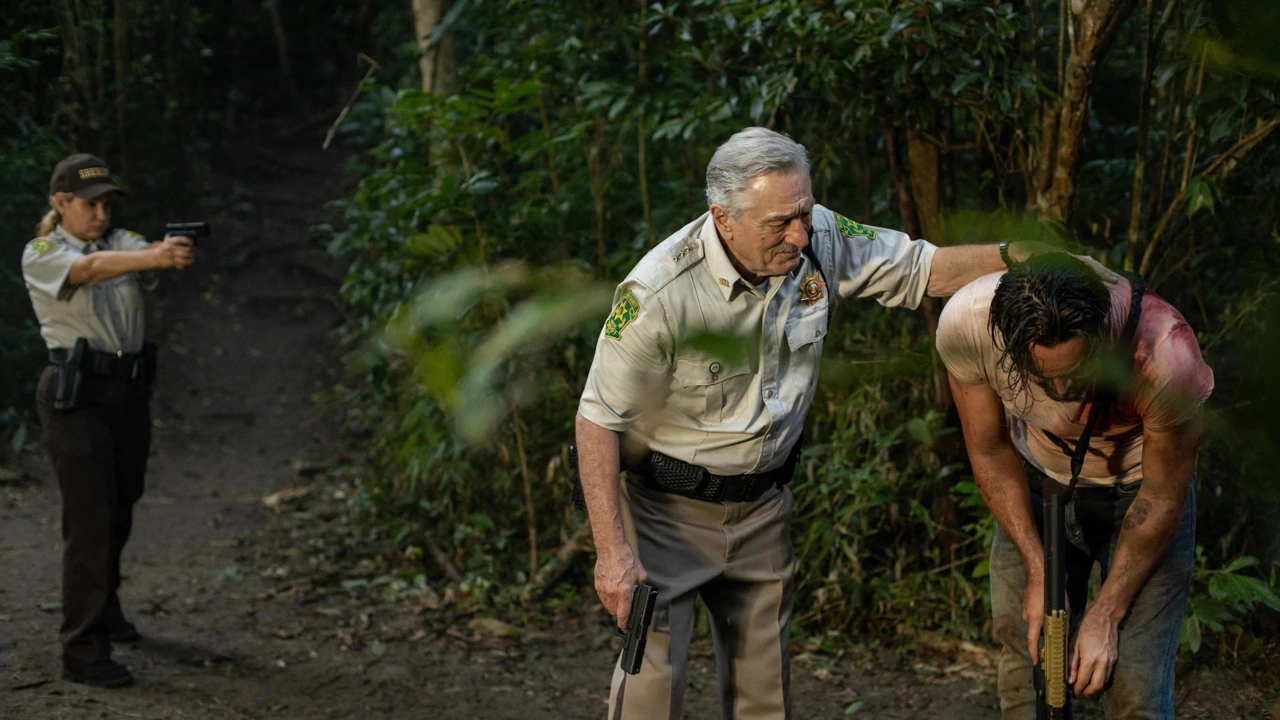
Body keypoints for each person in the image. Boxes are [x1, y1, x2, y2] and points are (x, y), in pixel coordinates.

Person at [575, 127, 1064, 719]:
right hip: (664, 513)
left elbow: (921, 268)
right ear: (723, 218)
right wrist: (612, 552)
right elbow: (598, 418)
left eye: (804, 213)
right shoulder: (660, 292)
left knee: (766, 698)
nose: (800, 234)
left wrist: (1017, 256)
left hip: (762, 507)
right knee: (648, 695)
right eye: (780, 222)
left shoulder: (819, 237)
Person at [936, 254, 1213, 719]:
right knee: (1030, 672)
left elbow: (1164, 495)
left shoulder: (1166, 354)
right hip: (1037, 486)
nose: (1063, 388)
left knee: (1136, 691)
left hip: (1139, 493)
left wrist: (1105, 614)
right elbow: (988, 451)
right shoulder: (968, 325)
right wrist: (1039, 571)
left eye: (1079, 370)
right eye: (1045, 376)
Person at [22, 153, 195, 688]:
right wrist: (158, 257)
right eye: (88, 204)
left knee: (122, 501)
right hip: (76, 393)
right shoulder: (44, 251)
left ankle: (107, 609)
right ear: (61, 203)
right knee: (91, 517)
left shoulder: (123, 241)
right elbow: (89, 271)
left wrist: (170, 252)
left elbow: (136, 255)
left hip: (126, 388)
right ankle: (81, 650)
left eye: (106, 203)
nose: (99, 213)